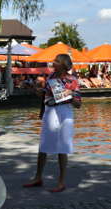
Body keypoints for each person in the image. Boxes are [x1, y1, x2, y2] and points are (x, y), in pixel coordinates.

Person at [24, 54, 81, 193]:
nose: (53, 62)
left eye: (56, 61)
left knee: (62, 147)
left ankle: (61, 182)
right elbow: (45, 95)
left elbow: (78, 104)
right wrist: (34, 90)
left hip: (64, 113)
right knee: (43, 145)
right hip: (50, 112)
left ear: (62, 64)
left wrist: (71, 95)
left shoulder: (72, 80)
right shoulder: (51, 77)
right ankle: (38, 177)